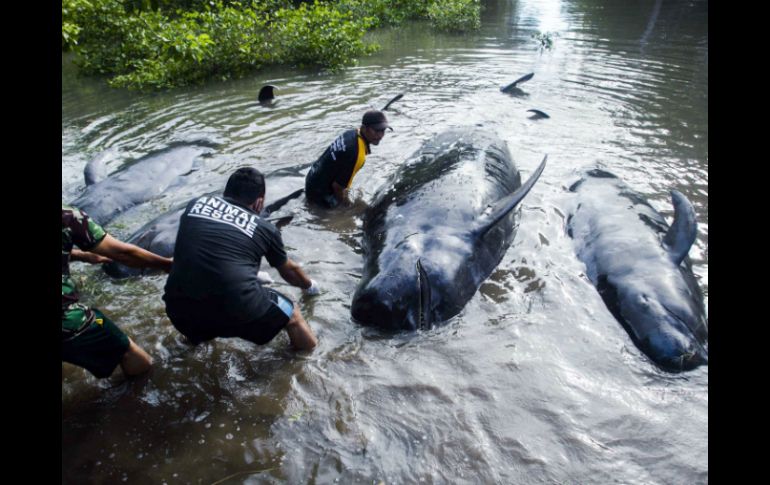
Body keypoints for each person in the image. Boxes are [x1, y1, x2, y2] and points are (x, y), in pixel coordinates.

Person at [163, 167, 319, 351]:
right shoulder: (265, 228)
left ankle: (191, 345)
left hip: (178, 311)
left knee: (199, 301)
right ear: (259, 201)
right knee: (292, 314)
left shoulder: (195, 205)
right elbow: (289, 272)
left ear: (226, 192)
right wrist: (310, 286)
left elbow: (207, 252)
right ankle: (307, 357)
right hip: (237, 312)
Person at [62, 207, 173, 379]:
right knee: (132, 354)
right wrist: (167, 264)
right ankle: (135, 397)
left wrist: (80, 255)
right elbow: (123, 253)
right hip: (69, 320)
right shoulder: (68, 216)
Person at [305, 109, 392, 208]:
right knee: (347, 211)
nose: (380, 136)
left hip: (312, 177)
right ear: (364, 128)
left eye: (383, 131)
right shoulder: (355, 153)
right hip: (319, 193)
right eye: (376, 130)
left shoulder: (352, 133)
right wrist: (347, 205)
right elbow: (337, 187)